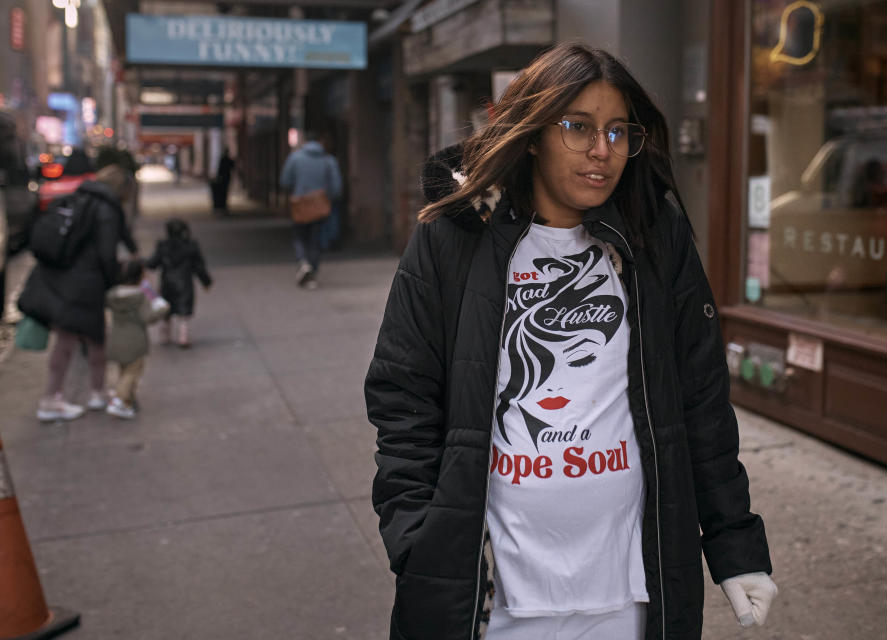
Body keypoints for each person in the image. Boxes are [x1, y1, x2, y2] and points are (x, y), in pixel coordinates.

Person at [364, 43, 777, 640]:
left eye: (617, 131)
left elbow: (702, 402)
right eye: (577, 127)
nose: (601, 151)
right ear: (531, 134)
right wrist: (418, 543)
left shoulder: (654, 237)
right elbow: (403, 395)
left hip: (630, 592)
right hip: (491, 598)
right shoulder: (456, 238)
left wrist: (735, 543)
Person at [18, 165, 135, 421]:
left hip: (60, 278)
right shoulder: (106, 209)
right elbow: (107, 252)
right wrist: (113, 279)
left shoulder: (78, 198)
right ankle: (56, 399)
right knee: (82, 341)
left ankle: (93, 392)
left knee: (75, 340)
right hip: (84, 284)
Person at [104, 259, 167, 419]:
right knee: (132, 373)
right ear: (139, 276)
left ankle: (128, 402)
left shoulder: (112, 294)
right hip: (135, 342)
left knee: (124, 372)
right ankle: (119, 400)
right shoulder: (139, 296)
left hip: (116, 340)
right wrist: (162, 309)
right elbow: (148, 317)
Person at [279, 131, 343, 289]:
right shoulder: (329, 161)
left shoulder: (295, 158)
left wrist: (297, 189)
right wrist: (329, 198)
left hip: (300, 203)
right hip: (320, 203)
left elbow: (285, 181)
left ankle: (303, 262)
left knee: (299, 236)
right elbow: (336, 188)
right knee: (315, 239)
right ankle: (311, 272)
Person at [146, 218, 212, 348]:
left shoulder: (163, 246)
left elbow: (152, 263)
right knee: (184, 312)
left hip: (167, 282)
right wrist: (206, 282)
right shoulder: (191, 247)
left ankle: (165, 336)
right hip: (184, 283)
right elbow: (199, 267)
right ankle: (183, 336)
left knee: (166, 311)